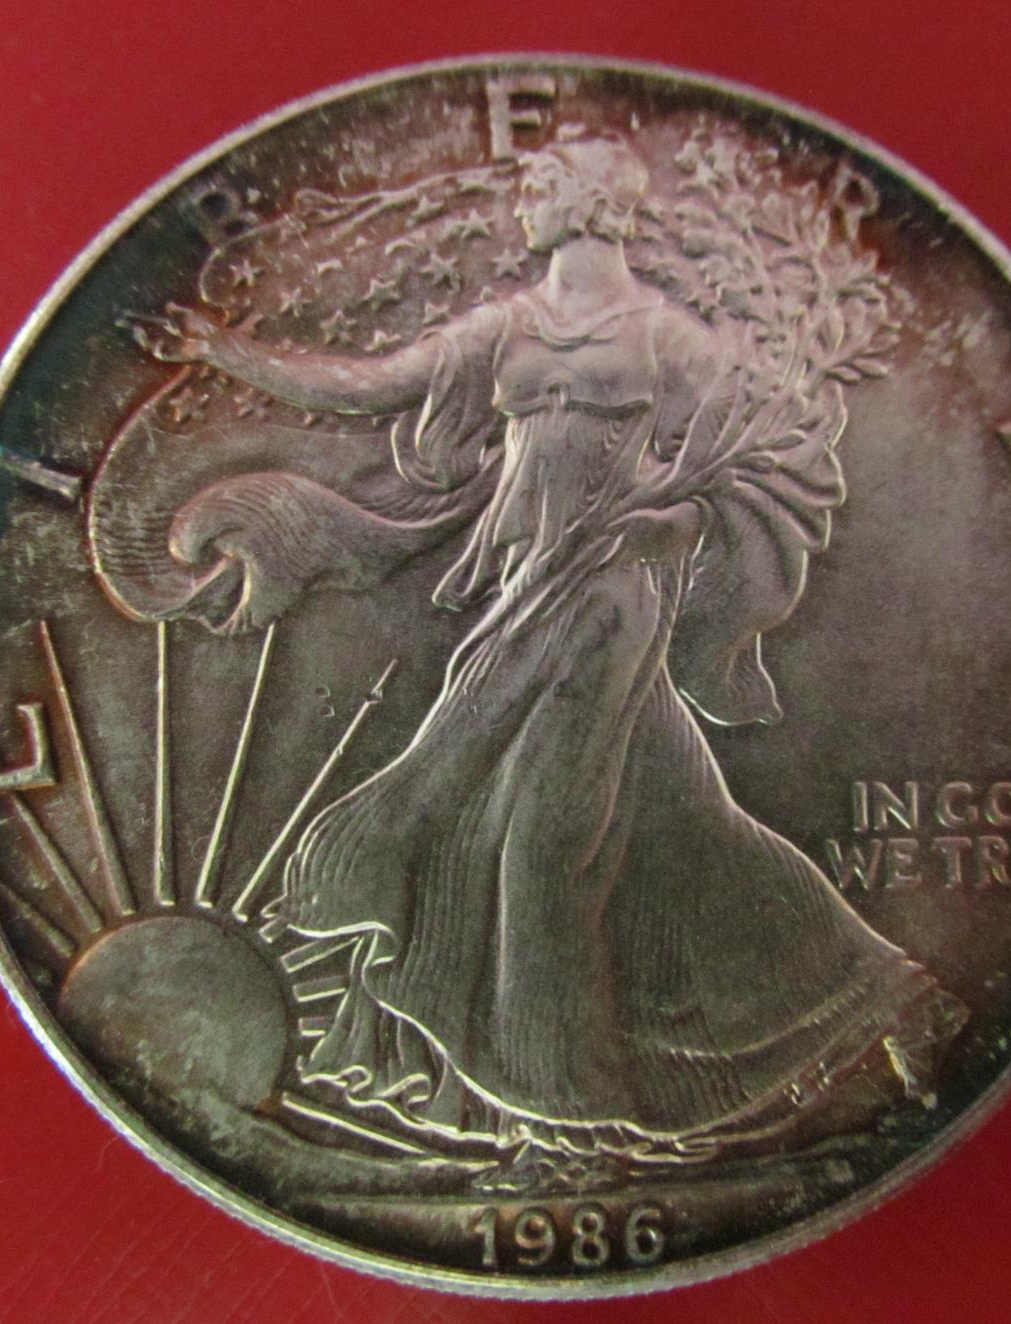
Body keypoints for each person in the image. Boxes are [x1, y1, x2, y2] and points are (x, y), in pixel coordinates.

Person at [137, 136, 964, 1166]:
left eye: (535, 189)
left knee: (538, 839)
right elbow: (370, 387)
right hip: (523, 594)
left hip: (610, 595)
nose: (521, 205)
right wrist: (224, 352)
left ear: (583, 204)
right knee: (678, 821)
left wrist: (676, 523)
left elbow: (777, 448)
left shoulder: (667, 336)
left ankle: (562, 1107)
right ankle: (893, 1002)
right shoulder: (505, 326)